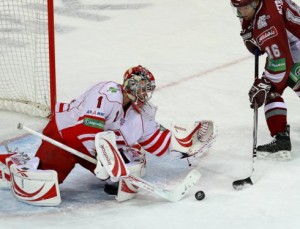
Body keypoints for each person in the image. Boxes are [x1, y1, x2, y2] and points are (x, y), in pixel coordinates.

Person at [0, 65, 216, 204]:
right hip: (65, 135)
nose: (145, 94)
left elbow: (155, 139)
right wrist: (105, 159)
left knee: (126, 167)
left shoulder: (140, 112)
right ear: (130, 86)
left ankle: (108, 170)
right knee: (43, 187)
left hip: (95, 144)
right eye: (142, 88)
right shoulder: (108, 93)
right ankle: (10, 163)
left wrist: (184, 147)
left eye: (147, 89)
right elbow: (87, 130)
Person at [230, 0, 300, 160]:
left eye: (244, 8)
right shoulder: (257, 8)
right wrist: (250, 33)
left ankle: (281, 138)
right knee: (277, 85)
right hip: (292, 42)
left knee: (271, 88)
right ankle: (281, 137)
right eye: (237, 9)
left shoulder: (268, 22)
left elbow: (281, 61)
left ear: (255, 4)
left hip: (294, 47)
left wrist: (265, 83)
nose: (241, 13)